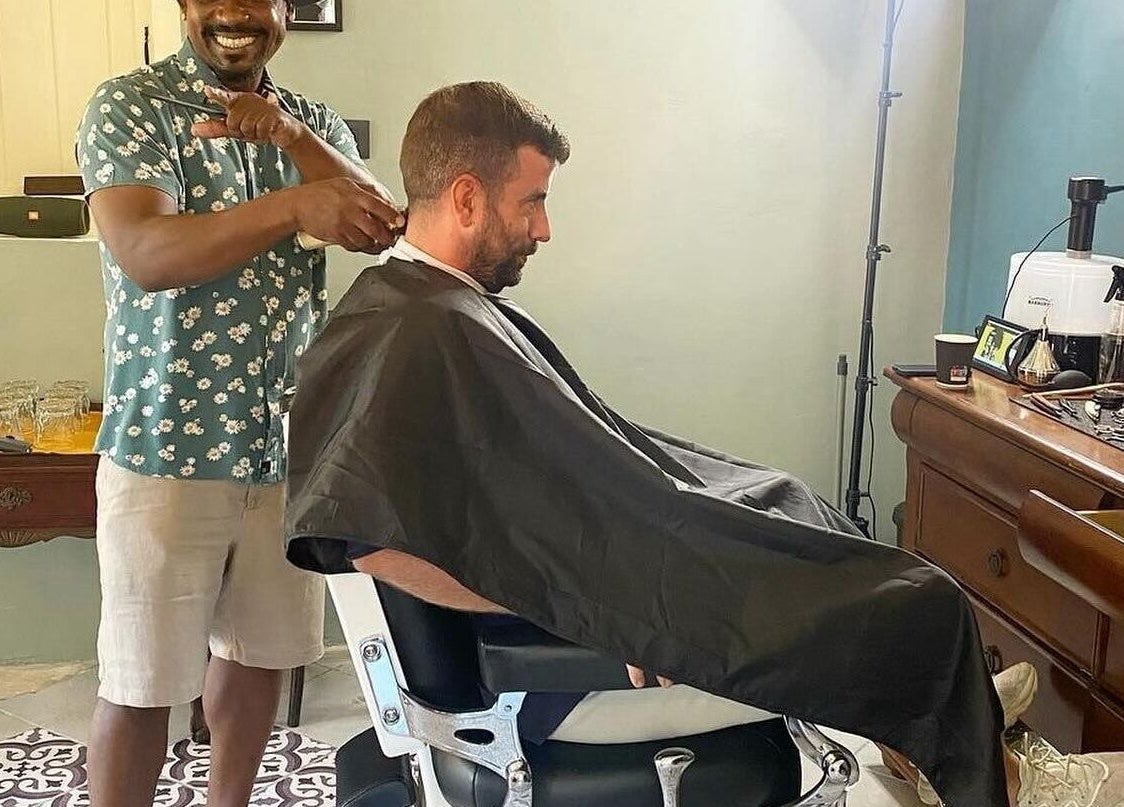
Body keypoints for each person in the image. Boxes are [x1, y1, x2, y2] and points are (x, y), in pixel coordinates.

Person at [283, 82, 1124, 806]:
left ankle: (935, 728)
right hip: (568, 662)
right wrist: (583, 611)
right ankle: (999, 770)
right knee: (922, 599)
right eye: (531, 201)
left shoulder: (423, 304)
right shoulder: (414, 331)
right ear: (466, 198)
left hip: (610, 575)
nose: (544, 228)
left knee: (792, 504)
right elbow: (372, 540)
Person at [75, 1, 402, 806]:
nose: (234, 11)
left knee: (260, 657)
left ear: (286, 10)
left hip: (287, 447)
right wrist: (290, 206)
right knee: (142, 682)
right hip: (165, 450)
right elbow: (147, 253)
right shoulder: (131, 105)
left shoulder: (310, 124)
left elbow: (382, 223)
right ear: (184, 7)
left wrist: (289, 138)